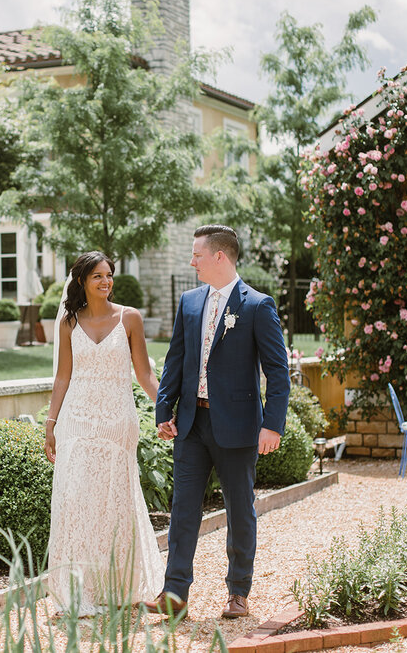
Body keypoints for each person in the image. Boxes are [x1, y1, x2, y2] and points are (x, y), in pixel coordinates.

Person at [145, 225, 290, 619]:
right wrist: (164, 409)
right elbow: (175, 359)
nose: (191, 261)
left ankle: (238, 593)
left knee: (240, 509)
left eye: (197, 254)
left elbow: (278, 372)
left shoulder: (258, 306)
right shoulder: (190, 302)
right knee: (183, 510)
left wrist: (272, 425)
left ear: (219, 257)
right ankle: (174, 595)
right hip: (191, 425)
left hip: (239, 428)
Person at [44, 251, 164, 616]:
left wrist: (166, 409)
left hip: (117, 423)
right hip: (76, 423)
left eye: (109, 275)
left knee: (114, 504)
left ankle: (118, 586)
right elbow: (63, 376)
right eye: (97, 276)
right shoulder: (69, 323)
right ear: (81, 280)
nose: (106, 281)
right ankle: (77, 590)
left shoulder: (130, 319)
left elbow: (144, 374)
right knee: (75, 503)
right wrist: (50, 424)